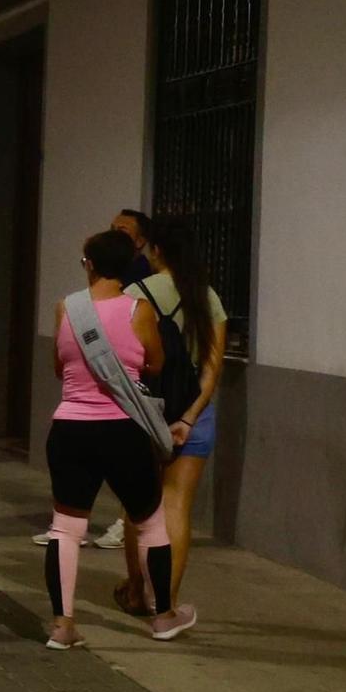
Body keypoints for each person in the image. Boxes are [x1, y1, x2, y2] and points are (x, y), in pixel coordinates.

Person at [42, 229, 196, 648]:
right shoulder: (139, 310)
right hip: (123, 430)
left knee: (66, 528)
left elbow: (59, 366)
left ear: (90, 264)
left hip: (71, 429)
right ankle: (163, 617)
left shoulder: (66, 309)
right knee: (150, 523)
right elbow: (155, 362)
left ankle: (63, 626)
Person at [114, 219, 227, 619]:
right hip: (194, 412)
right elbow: (212, 368)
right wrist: (191, 416)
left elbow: (123, 360)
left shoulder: (135, 294)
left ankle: (136, 593)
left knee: (140, 508)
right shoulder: (207, 298)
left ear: (157, 250)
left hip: (144, 411)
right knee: (177, 506)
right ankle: (167, 603)